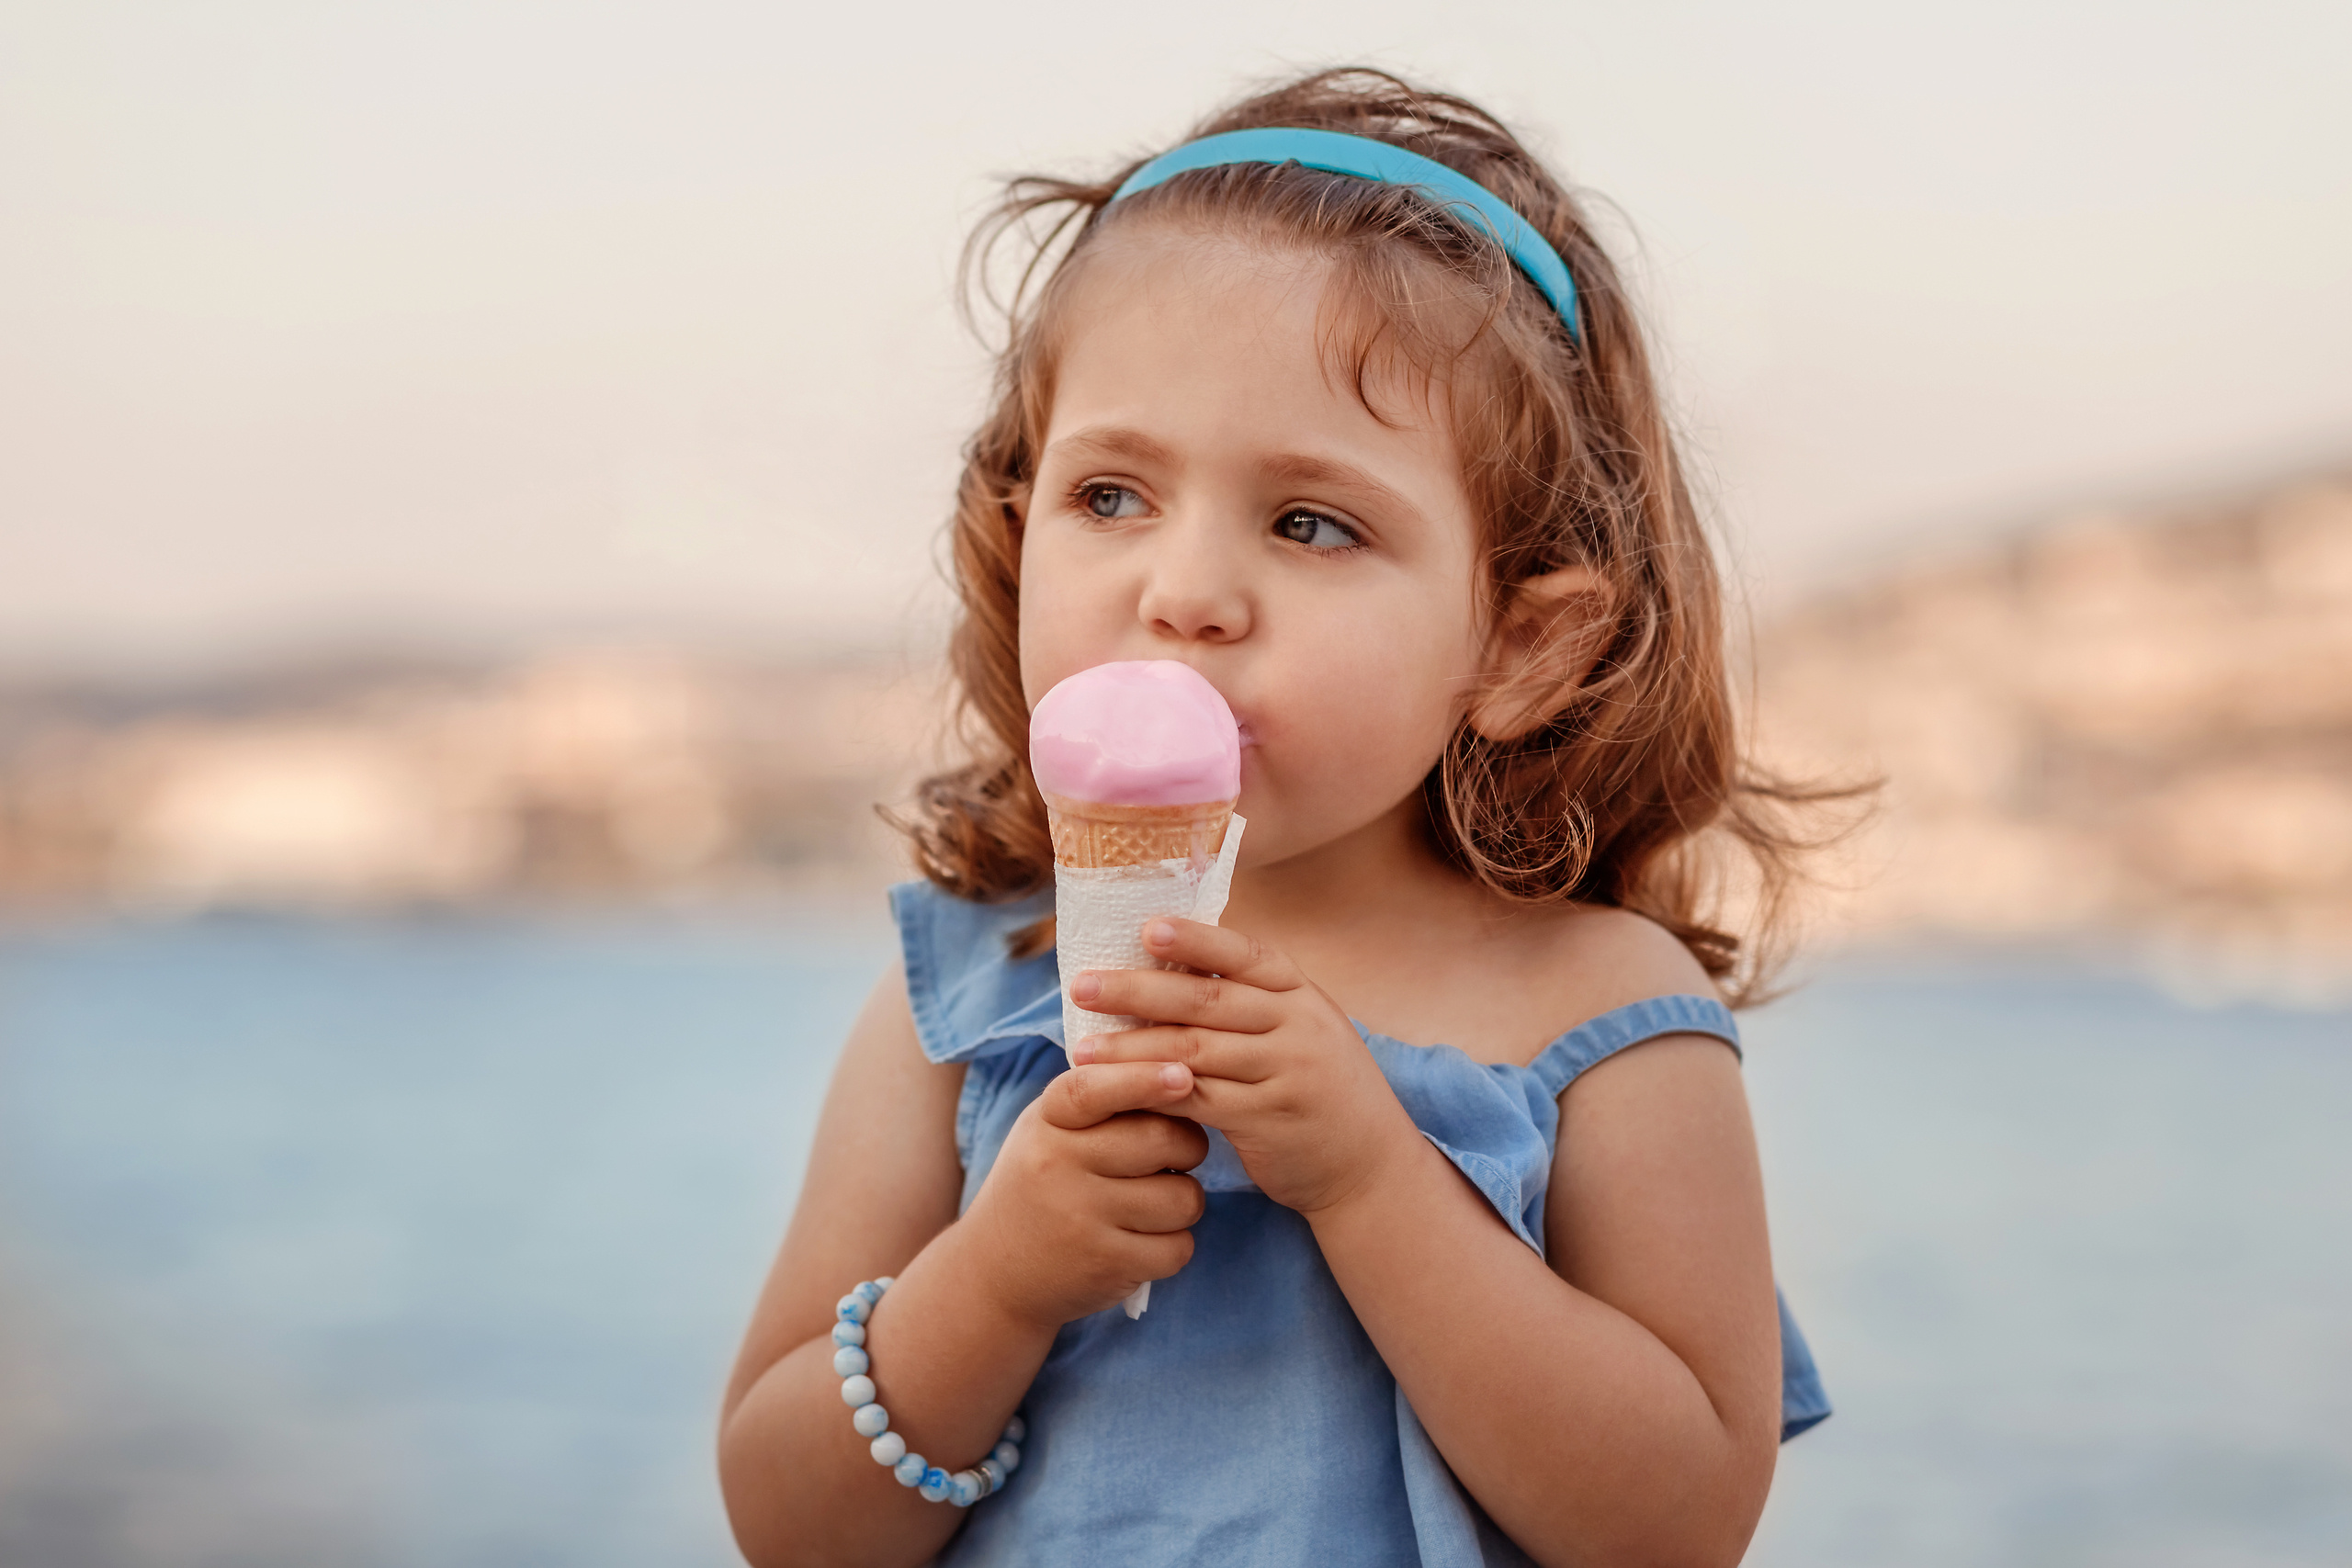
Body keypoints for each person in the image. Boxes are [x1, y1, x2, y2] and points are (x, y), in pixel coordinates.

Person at [718, 67, 1833, 1568]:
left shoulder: (1605, 1014)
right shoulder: (967, 998)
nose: (1183, 592)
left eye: (1312, 522)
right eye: (1110, 497)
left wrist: (1373, 1180)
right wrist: (993, 1280)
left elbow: (1678, 1525)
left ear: (1519, 645)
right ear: (1012, 530)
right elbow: (790, 1527)